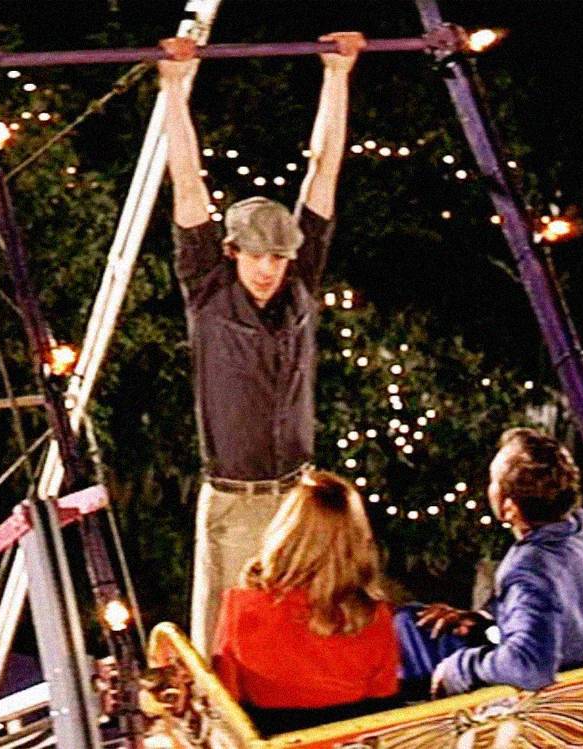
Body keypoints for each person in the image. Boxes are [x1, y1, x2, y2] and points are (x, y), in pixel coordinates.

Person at [158, 31, 365, 651]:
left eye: (279, 255)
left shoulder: (301, 280)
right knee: (227, 645)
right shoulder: (207, 288)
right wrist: (174, 89)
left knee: (305, 638)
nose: (269, 268)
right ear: (232, 251)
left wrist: (337, 76)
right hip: (238, 502)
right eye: (257, 255)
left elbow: (323, 169)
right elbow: (188, 183)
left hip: (299, 497)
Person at [395, 428, 583, 697]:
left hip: (544, 689)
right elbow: (555, 603)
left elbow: (529, 665)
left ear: (510, 508)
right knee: (417, 618)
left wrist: (461, 668)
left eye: (493, 481)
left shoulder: (530, 568)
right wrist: (487, 618)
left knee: (406, 628)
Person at [211, 471, 398, 731]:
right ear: (357, 540)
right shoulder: (376, 618)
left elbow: (225, 712)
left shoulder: (240, 608)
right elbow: (384, 715)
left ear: (287, 530)